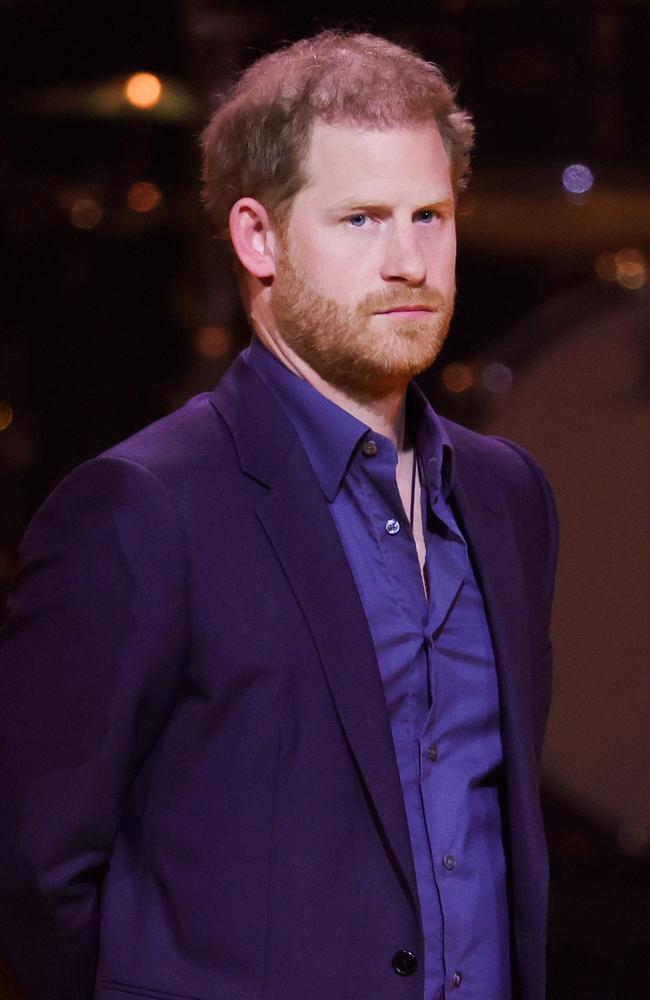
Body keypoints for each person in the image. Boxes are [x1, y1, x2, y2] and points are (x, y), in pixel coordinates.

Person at [0, 30, 558, 1000]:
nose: (407, 260)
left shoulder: (507, 494)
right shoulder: (141, 509)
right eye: (358, 220)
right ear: (257, 238)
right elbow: (36, 875)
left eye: (429, 215)